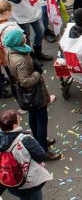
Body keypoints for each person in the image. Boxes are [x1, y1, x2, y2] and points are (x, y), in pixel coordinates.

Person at [4, 28, 61, 161]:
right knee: (41, 120)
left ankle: (38, 140)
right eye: (21, 36)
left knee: (33, 116)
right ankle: (43, 150)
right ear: (18, 41)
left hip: (26, 96)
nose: (24, 36)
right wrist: (37, 72)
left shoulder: (10, 52)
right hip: (34, 95)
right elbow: (26, 82)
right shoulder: (21, 60)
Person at [0, 109, 54, 199]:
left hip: (11, 180)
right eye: (18, 118)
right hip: (29, 182)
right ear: (14, 125)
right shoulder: (25, 140)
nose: (19, 118)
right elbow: (41, 156)